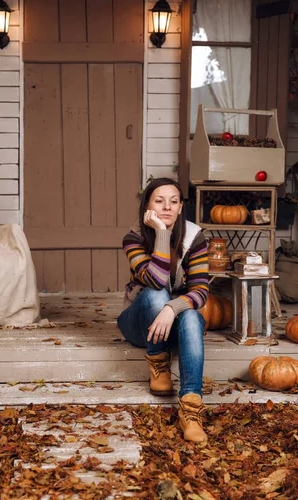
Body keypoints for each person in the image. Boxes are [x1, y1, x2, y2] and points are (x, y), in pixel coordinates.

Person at [117, 177, 209, 442]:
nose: (167, 207)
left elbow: (201, 291)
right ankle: (158, 364)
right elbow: (156, 280)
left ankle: (191, 411)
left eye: (174, 201)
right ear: (147, 206)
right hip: (138, 323)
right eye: (159, 201)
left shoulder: (195, 238)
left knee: (190, 315)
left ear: (181, 207)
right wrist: (161, 233)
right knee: (156, 294)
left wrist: (173, 308)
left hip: (174, 322)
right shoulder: (133, 238)